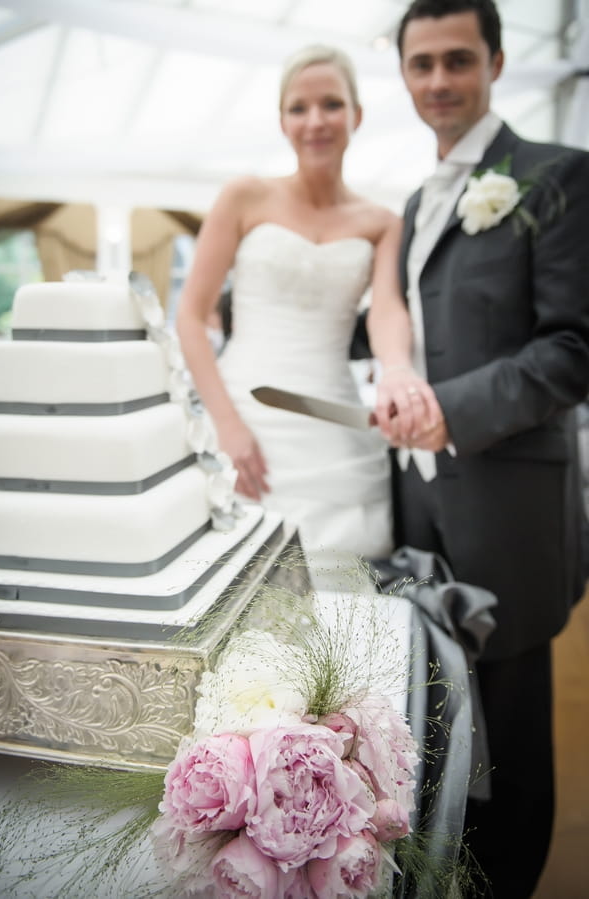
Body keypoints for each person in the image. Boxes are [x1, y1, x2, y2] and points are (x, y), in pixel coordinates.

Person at [369, 1, 589, 895]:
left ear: (496, 61)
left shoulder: (556, 177)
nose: (439, 82)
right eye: (421, 65)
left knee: (514, 739)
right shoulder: (419, 202)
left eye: (458, 60)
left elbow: (573, 349)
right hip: (418, 499)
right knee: (442, 725)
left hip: (508, 506)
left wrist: (449, 410)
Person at [176, 44, 438, 581]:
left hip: (334, 424)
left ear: (356, 115)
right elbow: (190, 316)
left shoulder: (382, 222)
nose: (315, 121)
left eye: (331, 105)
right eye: (299, 108)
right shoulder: (244, 197)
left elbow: (386, 310)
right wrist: (226, 424)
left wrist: (398, 369)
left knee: (342, 586)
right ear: (282, 121)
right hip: (244, 416)